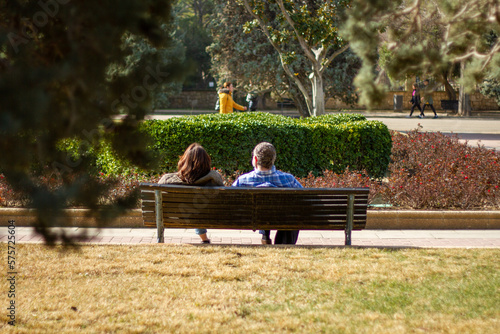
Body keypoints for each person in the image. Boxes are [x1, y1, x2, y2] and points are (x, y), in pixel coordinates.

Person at [232, 142, 303, 245]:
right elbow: (303, 200)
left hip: (254, 219)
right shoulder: (288, 179)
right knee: (290, 216)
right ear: (273, 160)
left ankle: (265, 235)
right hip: (281, 219)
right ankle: (283, 244)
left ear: (255, 160)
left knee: (263, 210)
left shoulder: (242, 181)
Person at [158, 143, 224, 244]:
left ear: (184, 161)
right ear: (206, 162)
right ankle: (204, 239)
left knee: (195, 208)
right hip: (207, 215)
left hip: (177, 216)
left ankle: (160, 238)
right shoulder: (213, 179)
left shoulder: (167, 180)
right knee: (198, 208)